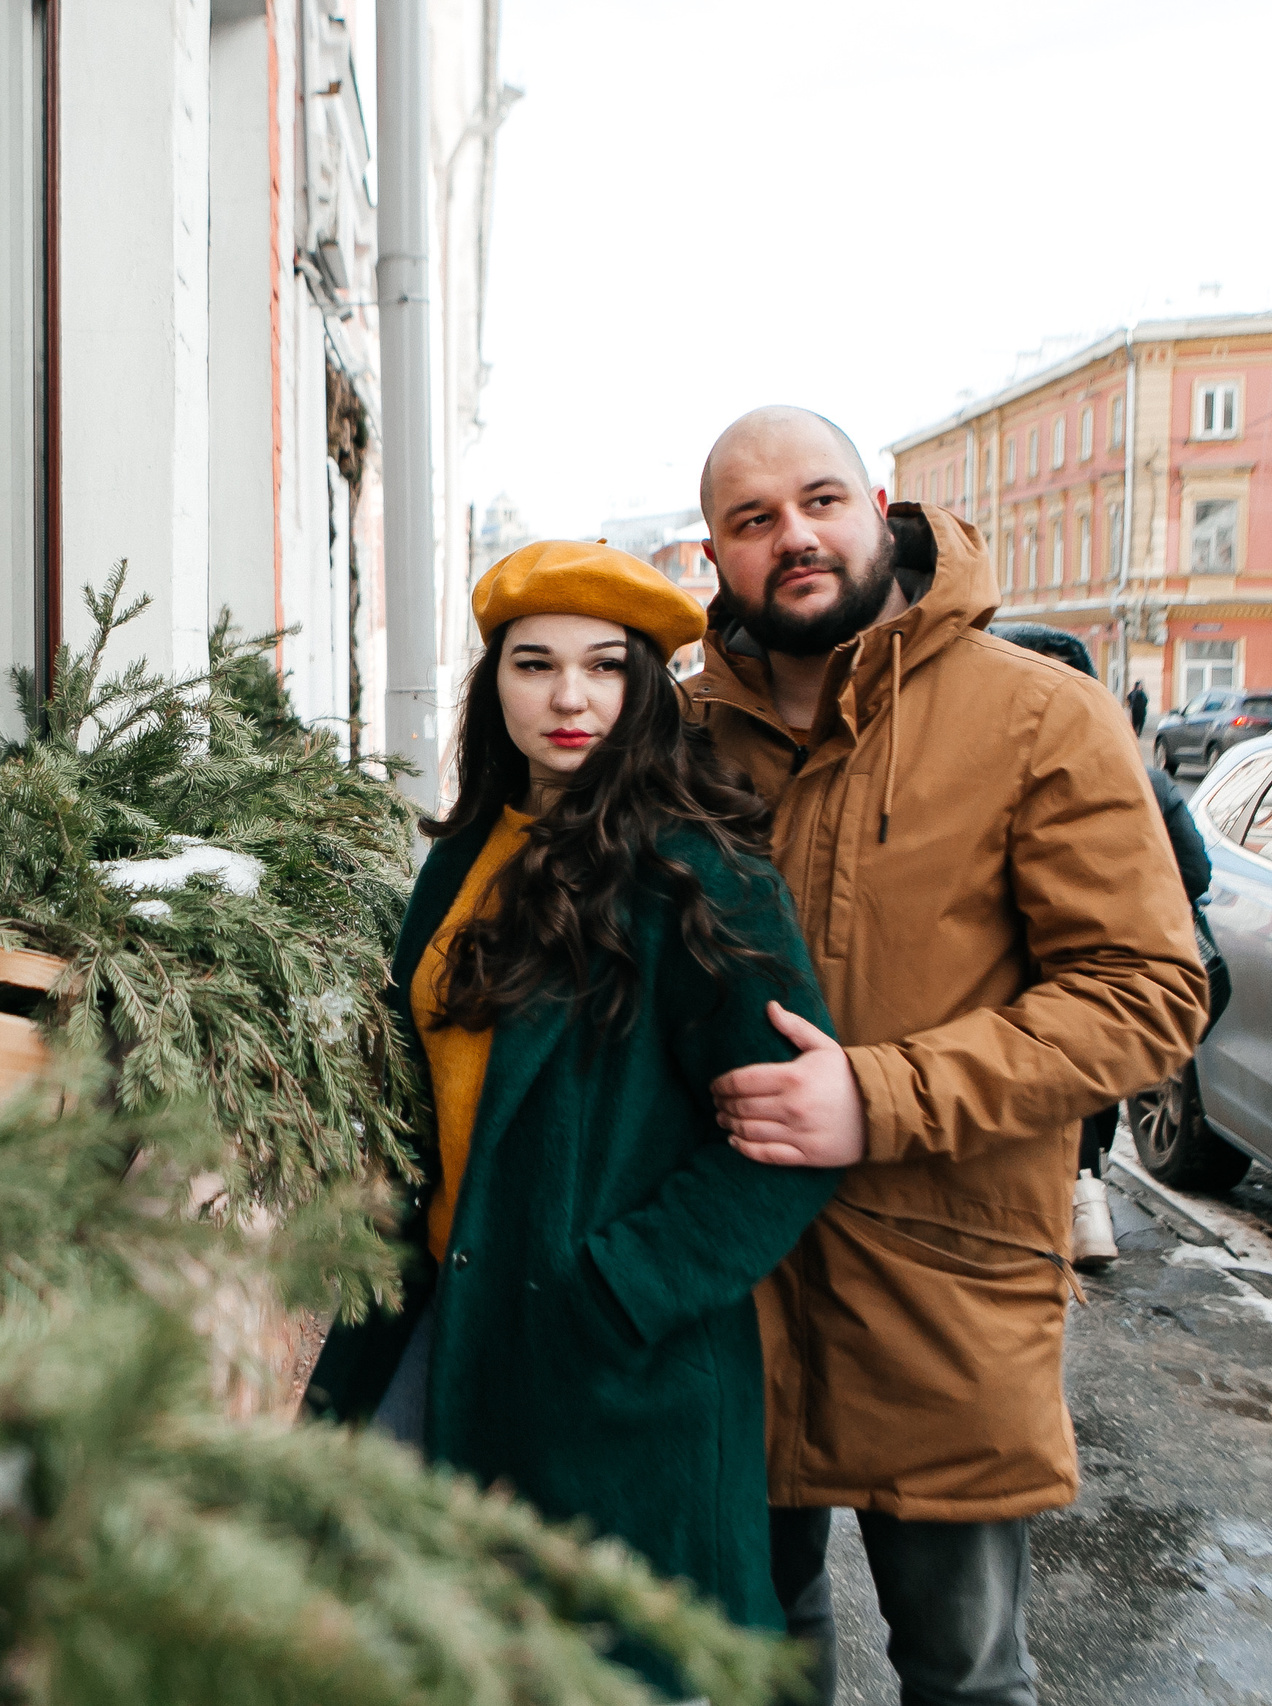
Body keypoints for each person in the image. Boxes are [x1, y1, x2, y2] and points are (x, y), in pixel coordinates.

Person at [689, 408, 1208, 1706]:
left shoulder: (1040, 717)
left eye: (817, 501)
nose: (792, 537)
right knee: (751, 1658)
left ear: (879, 504)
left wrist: (878, 1094)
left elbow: (1148, 992)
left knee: (967, 1675)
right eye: (753, 521)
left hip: (943, 1293)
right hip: (722, 1297)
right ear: (716, 552)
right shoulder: (675, 740)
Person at [306, 541, 842, 1694]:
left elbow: (785, 1147)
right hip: (443, 1307)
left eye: (604, 668)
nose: (567, 697)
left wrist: (622, 1285)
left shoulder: (700, 868)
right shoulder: (464, 852)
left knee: (599, 1666)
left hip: (606, 1355)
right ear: (491, 683)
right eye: (533, 663)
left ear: (645, 690)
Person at [986, 622, 1216, 1268]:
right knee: (1086, 1093)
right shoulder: (1144, 775)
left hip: (1052, 994)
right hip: (1073, 999)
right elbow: (1194, 874)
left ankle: (1081, 1202)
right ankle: (1087, 1201)